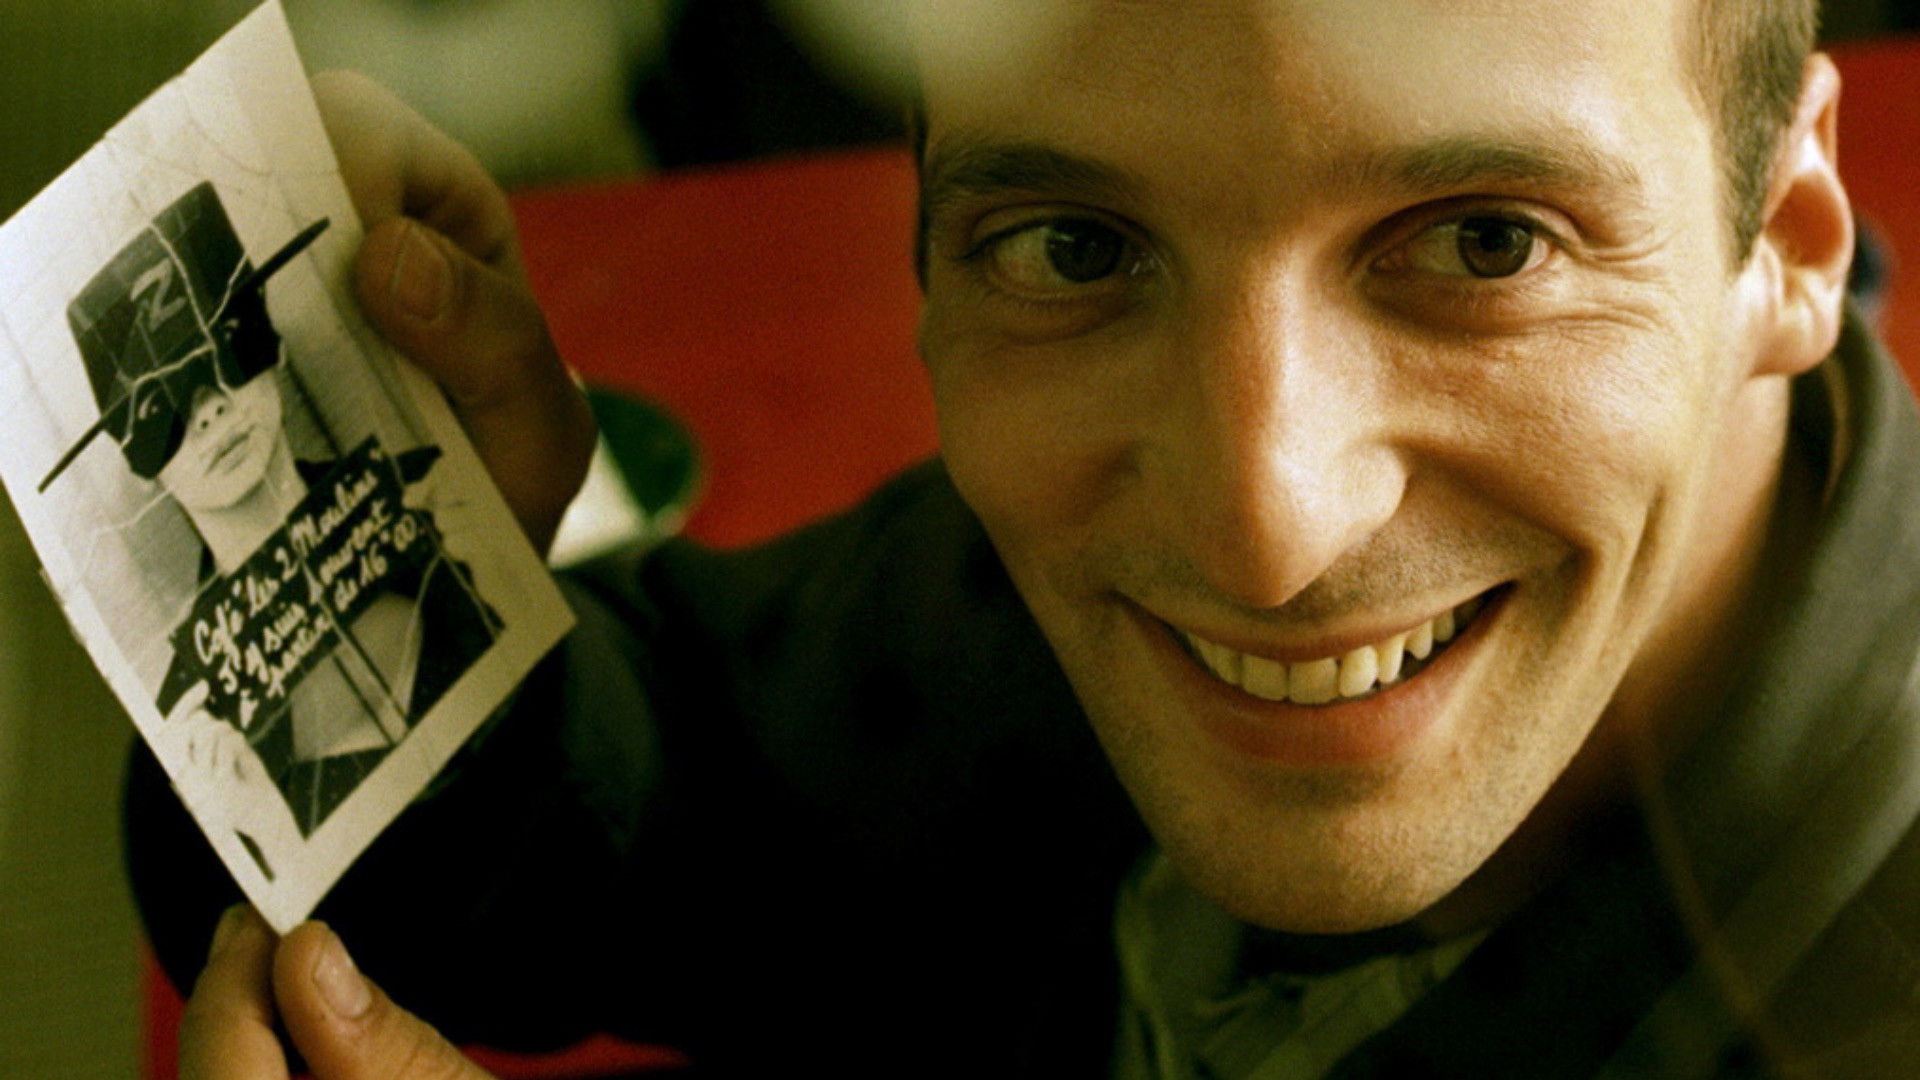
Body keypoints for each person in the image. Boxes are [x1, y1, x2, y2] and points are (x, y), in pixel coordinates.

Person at [129, 1, 1920, 1076]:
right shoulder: (1000, 604)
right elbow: (657, 827)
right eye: (1079, 248)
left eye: (1485, 244)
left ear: (1788, 239)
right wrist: (394, 561)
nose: (1262, 528)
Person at [55, 181, 502, 871]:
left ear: (274, 347)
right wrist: (271, 843)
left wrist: (512, 569)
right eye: (161, 408)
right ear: (138, 463)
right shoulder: (192, 729)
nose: (208, 411)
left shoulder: (442, 498)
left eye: (223, 353)